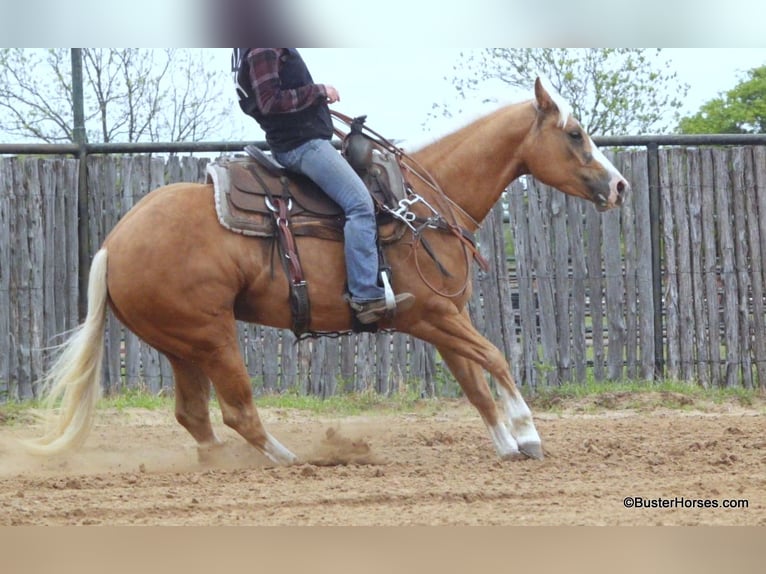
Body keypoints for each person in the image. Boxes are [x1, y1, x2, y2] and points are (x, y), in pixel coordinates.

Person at [233, 48, 414, 324]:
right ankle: (366, 296)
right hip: (302, 145)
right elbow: (269, 101)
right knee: (360, 204)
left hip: (301, 141)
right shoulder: (263, 45)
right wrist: (318, 92)